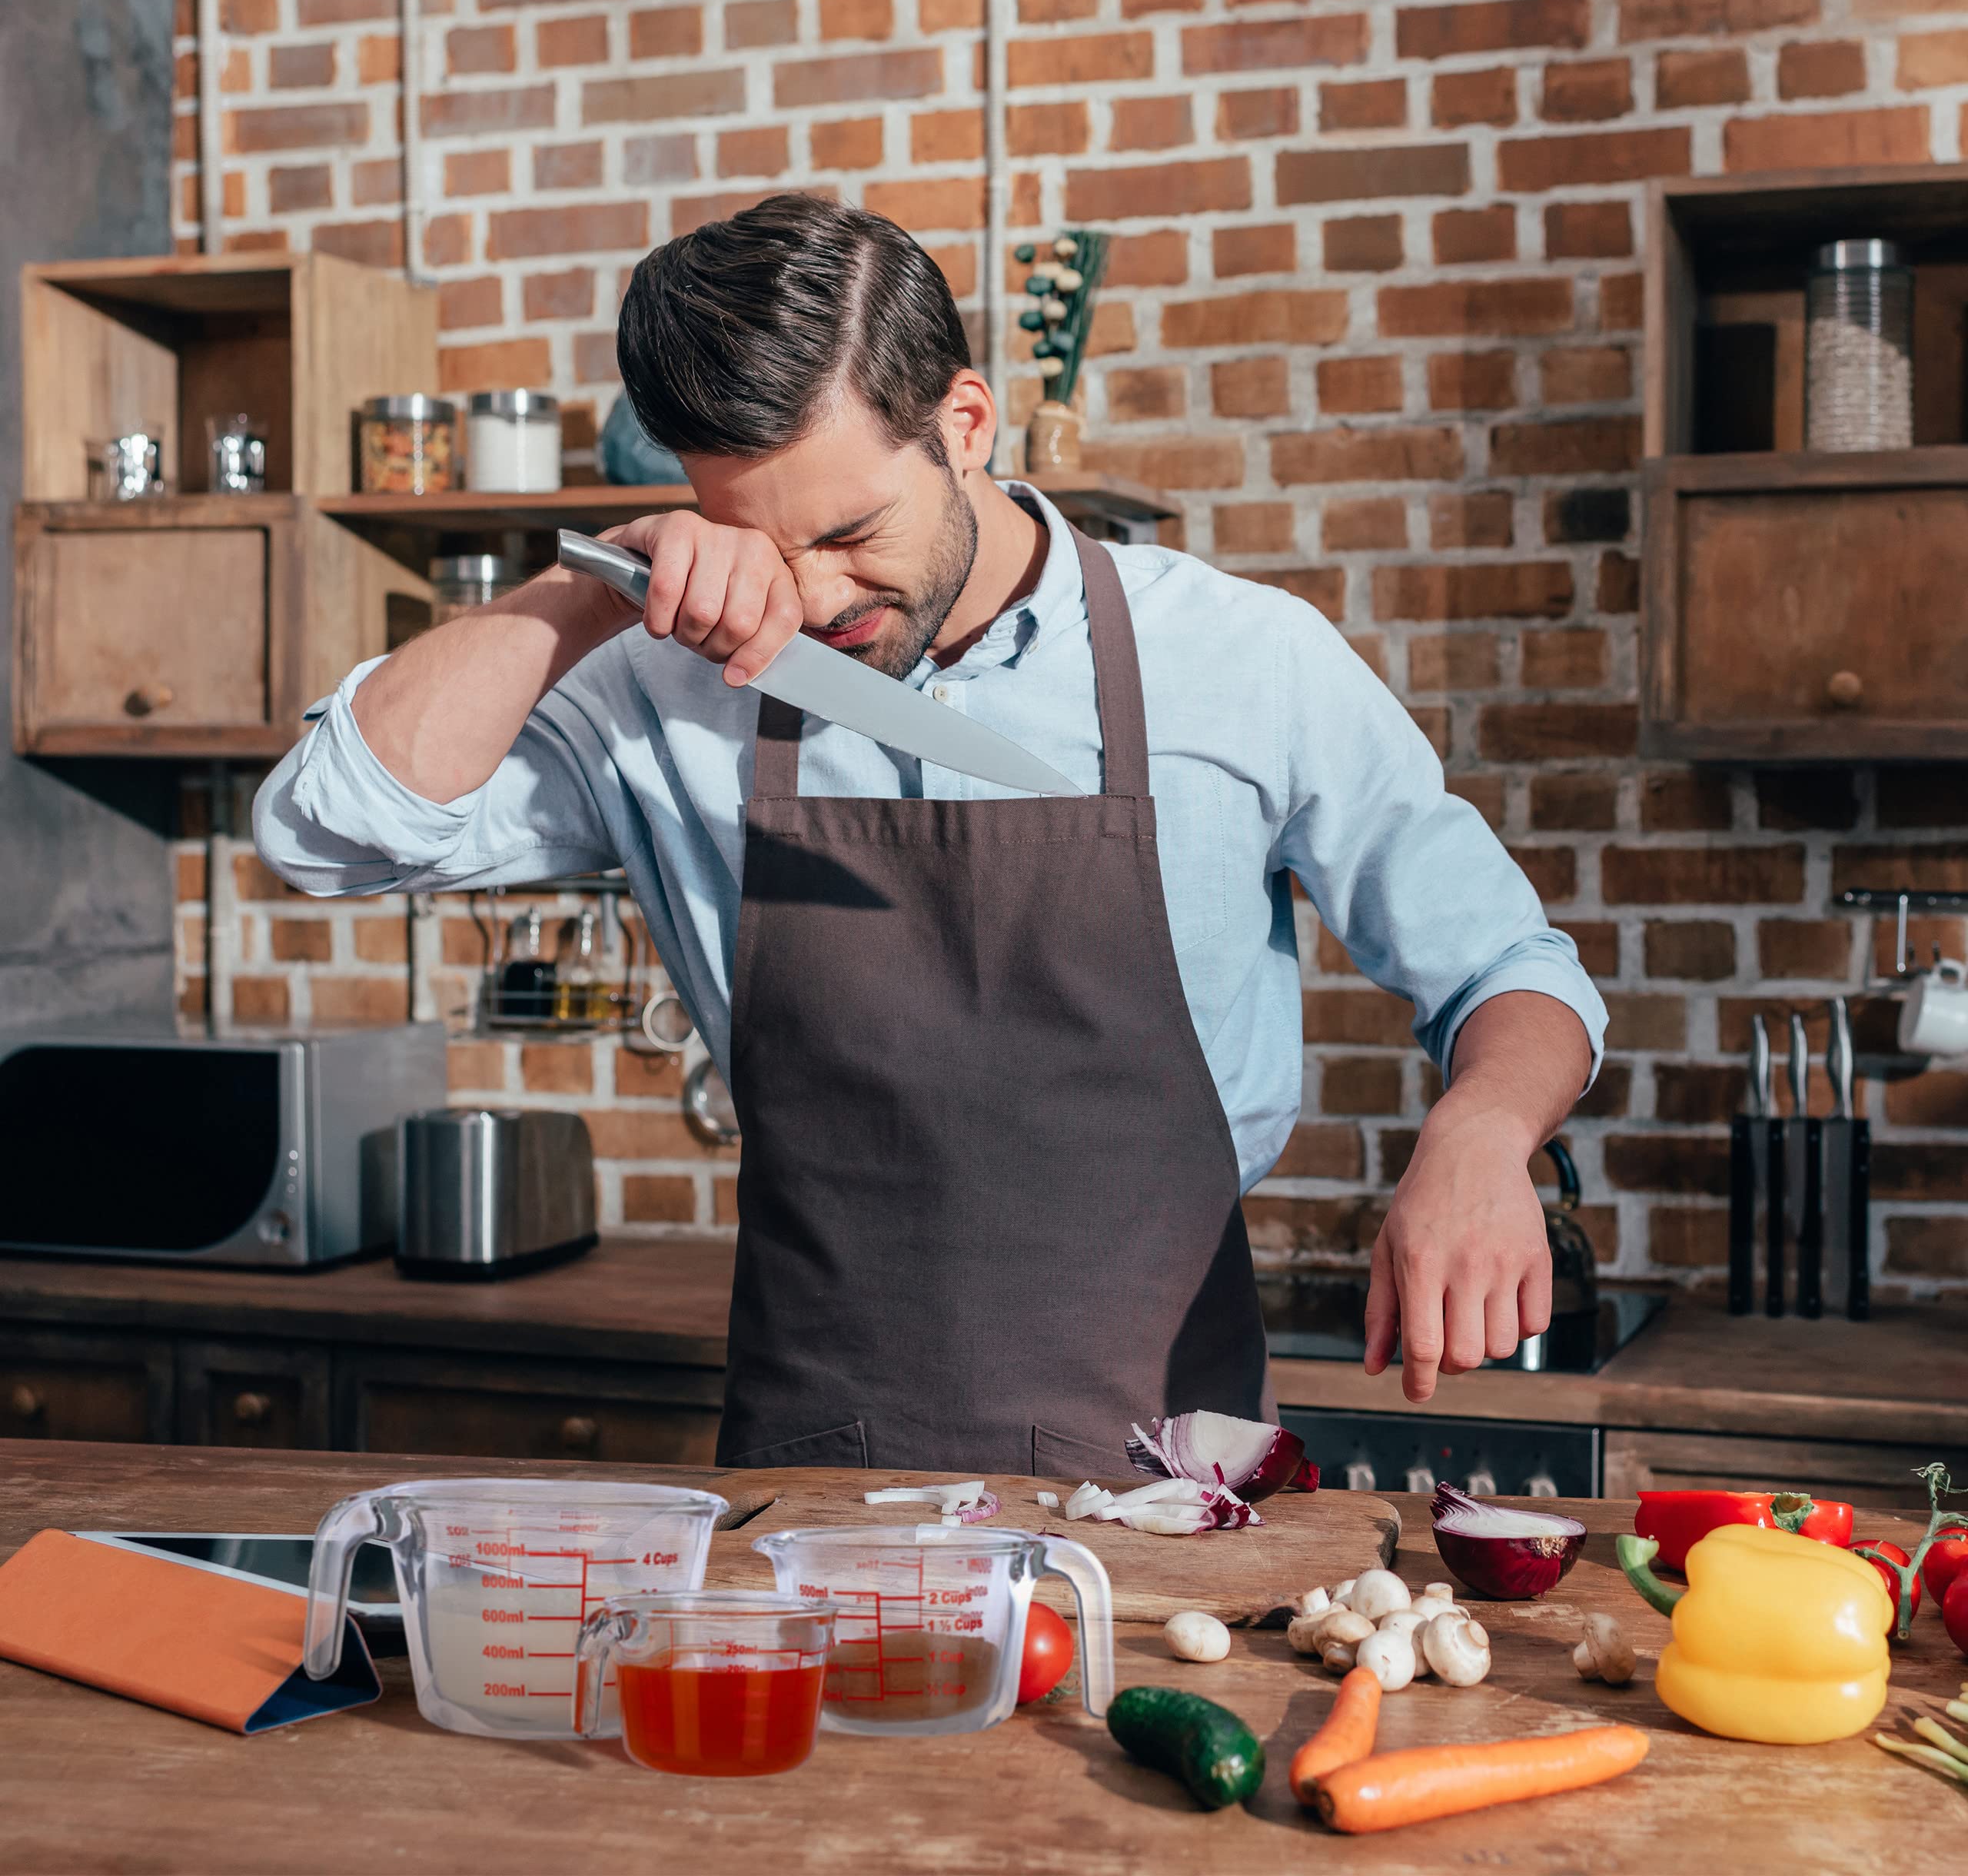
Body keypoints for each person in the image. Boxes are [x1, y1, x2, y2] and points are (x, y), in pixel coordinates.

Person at [255, 195, 1606, 1477]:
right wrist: (582, 593)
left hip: (1168, 1466)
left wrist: (1482, 1136)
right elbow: (330, 833)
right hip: (817, 1476)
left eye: (851, 531)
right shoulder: (660, 690)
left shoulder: (1242, 661)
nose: (812, 592)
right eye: (754, 538)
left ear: (966, 423)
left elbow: (1509, 971)